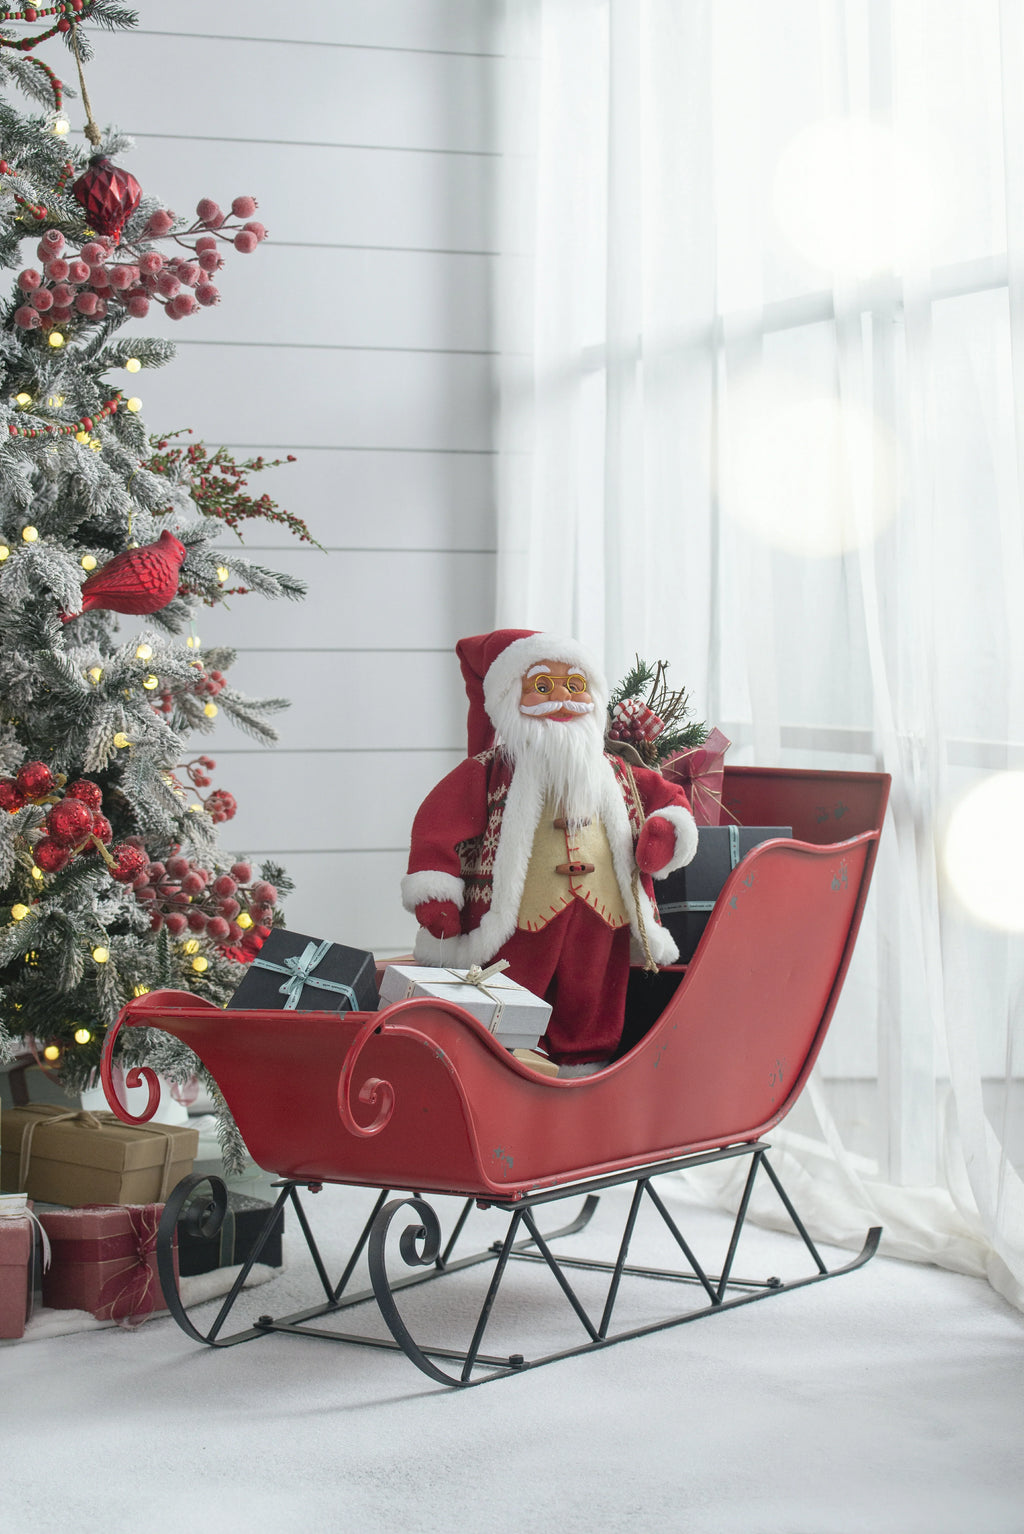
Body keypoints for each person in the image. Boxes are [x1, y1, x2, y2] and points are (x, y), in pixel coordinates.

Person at [402, 629, 698, 1068]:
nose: (562, 697)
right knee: (513, 992)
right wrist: (437, 892)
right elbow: (437, 826)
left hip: (604, 916)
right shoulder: (489, 772)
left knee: (594, 996)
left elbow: (670, 801)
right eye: (542, 686)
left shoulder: (614, 770)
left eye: (574, 685)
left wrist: (665, 834)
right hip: (516, 920)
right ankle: (507, 1063)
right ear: (509, 699)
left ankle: (586, 1069)